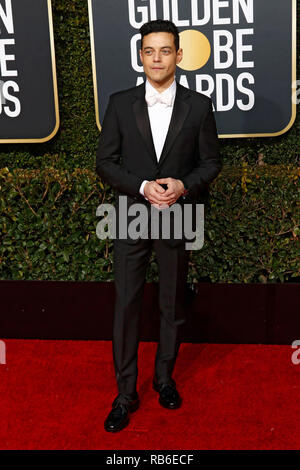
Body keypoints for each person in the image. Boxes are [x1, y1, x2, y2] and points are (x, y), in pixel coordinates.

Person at [96, 19, 222, 432]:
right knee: (126, 305)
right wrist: (143, 186)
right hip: (130, 214)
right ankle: (125, 393)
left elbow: (211, 163)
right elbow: (106, 163)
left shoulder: (199, 107)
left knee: (171, 304)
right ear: (140, 57)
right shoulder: (118, 103)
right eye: (149, 51)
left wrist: (184, 185)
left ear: (179, 56)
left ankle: (164, 380)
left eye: (165, 50)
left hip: (178, 214)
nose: (156, 58)